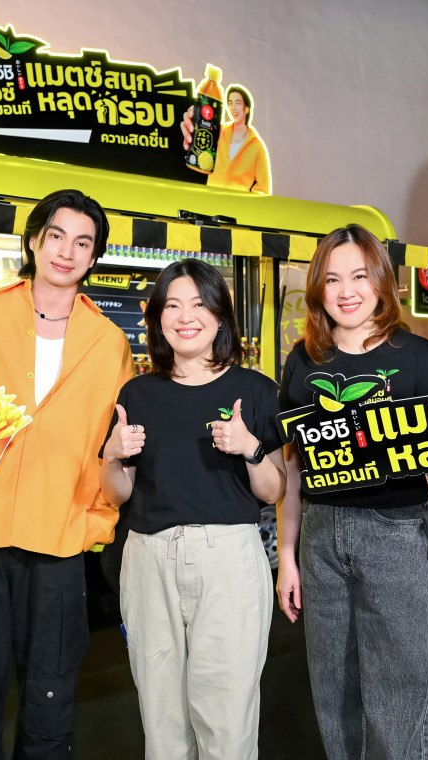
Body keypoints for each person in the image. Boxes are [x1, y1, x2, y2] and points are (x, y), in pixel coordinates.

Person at [0, 189, 133, 760]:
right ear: (34, 241)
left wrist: (94, 522)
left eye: (83, 242)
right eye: (56, 236)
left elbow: (115, 445)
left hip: (59, 536)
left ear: (94, 257)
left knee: (51, 692)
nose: (67, 251)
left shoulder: (109, 342)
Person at [100, 258, 285, 759]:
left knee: (226, 718)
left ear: (220, 316)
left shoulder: (256, 390)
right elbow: (116, 493)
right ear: (157, 318)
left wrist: (250, 448)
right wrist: (111, 456)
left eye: (200, 304)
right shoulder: (137, 394)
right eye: (173, 305)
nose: (186, 316)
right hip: (148, 558)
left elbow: (273, 490)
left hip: (229, 560)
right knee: (161, 719)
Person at [275, 224, 428, 760]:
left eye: (359, 276)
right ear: (318, 289)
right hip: (320, 533)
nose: (346, 291)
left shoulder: (418, 357)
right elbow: (292, 466)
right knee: (333, 685)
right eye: (332, 279)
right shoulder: (303, 361)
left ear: (382, 281)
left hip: (396, 531)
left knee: (404, 683)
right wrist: (286, 555)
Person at [181, 85, 272, 194]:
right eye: (230, 103)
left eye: (238, 103)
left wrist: (243, 202)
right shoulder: (218, 132)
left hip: (236, 203)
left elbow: (263, 190)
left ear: (247, 109)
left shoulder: (257, 146)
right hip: (208, 199)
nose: (233, 108)